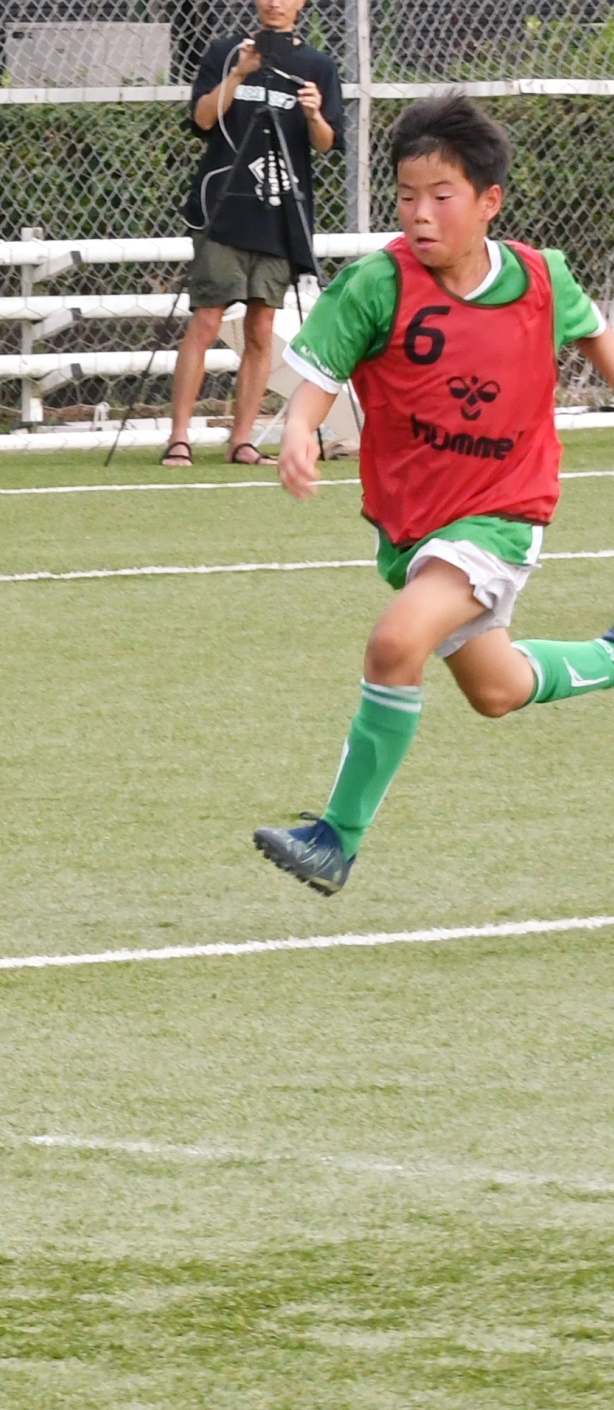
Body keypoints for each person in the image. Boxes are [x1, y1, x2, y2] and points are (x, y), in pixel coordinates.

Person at [254, 94, 614, 895]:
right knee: (497, 689)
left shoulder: (540, 278)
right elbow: (318, 377)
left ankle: (335, 839)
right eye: (406, 195)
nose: (419, 214)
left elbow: (600, 343)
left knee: (394, 644)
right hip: (415, 527)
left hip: (503, 512)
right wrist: (299, 429)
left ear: (489, 202)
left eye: (440, 196)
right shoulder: (377, 284)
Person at [162, 0, 342, 468]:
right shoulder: (224, 52)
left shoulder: (317, 65)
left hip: (279, 212)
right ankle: (179, 438)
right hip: (222, 208)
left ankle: (242, 441)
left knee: (261, 328)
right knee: (206, 320)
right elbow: (202, 119)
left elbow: (326, 143)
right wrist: (240, 74)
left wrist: (314, 115)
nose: (275, 3)